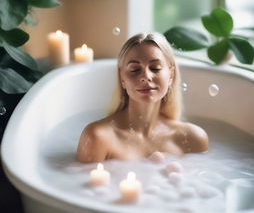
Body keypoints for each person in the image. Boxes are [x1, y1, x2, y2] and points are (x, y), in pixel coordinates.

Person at [77, 33, 208, 163]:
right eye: (135, 69)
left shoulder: (192, 138)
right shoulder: (98, 137)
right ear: (122, 78)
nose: (146, 76)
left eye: (155, 68)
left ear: (171, 75)